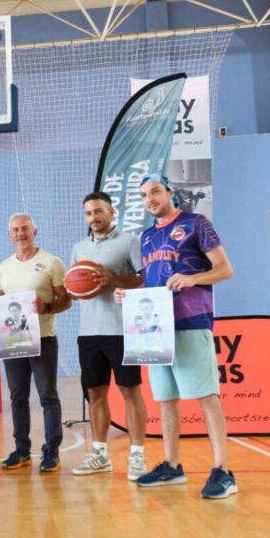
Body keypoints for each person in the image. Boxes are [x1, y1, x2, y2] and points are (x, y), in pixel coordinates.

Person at [115, 174, 237, 499]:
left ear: (170, 193)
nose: (150, 198)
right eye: (144, 195)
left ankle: (223, 470)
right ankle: (172, 465)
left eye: (155, 191)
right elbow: (153, 283)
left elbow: (225, 269)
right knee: (165, 399)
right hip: (154, 330)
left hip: (191, 322)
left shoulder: (196, 223)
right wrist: (128, 294)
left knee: (206, 397)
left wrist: (193, 278)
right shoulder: (146, 237)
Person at [69, 192, 149, 480]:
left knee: (130, 391)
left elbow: (145, 278)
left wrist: (114, 279)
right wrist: (76, 287)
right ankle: (100, 454)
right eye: (89, 213)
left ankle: (137, 455)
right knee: (95, 394)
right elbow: (74, 287)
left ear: (111, 212)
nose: (94, 217)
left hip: (122, 330)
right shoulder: (79, 248)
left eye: (98, 212)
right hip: (88, 333)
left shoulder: (129, 241)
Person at [0, 213, 71, 472]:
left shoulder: (52, 262)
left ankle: (51, 451)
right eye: (15, 230)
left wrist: (46, 306)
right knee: (17, 397)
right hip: (14, 342)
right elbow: (1, 301)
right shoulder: (3, 268)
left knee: (47, 395)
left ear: (36, 231)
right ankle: (21, 449)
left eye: (25, 229)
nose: (20, 233)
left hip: (43, 340)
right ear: (9, 235)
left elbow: (66, 300)